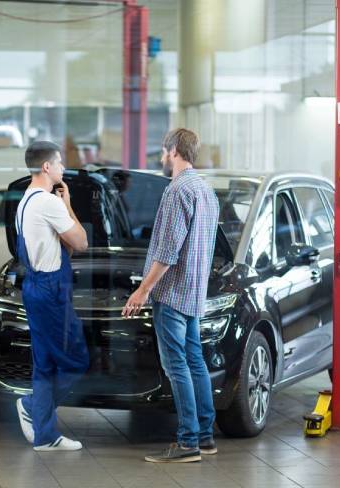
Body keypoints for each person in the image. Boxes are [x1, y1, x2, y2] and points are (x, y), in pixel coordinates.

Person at [121, 128, 219, 463]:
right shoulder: (206, 190)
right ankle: (205, 437)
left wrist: (142, 290)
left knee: (177, 365)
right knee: (195, 362)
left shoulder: (177, 191)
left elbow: (167, 251)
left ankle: (188, 442)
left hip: (173, 294)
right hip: (194, 293)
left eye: (164, 153)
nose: (162, 159)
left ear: (174, 150)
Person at [14, 140, 90, 451]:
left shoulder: (25, 201)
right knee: (75, 361)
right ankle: (33, 406)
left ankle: (45, 435)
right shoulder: (49, 202)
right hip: (50, 291)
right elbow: (81, 242)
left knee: (45, 364)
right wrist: (68, 204)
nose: (62, 168)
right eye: (59, 163)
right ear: (46, 167)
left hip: (35, 287)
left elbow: (65, 245)